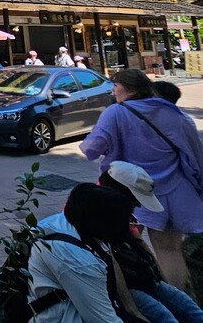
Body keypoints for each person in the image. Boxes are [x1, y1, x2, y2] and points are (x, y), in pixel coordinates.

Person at [80, 68, 203, 289]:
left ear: (129, 90)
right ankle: (180, 300)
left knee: (123, 245)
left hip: (129, 192)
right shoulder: (172, 113)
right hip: (172, 191)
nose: (113, 90)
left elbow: (92, 148)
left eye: (116, 85)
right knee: (169, 250)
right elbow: (194, 154)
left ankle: (135, 295)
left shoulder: (115, 112)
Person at [28, 183, 148, 322]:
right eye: (126, 221)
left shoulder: (63, 222)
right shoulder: (79, 260)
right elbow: (104, 320)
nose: (128, 227)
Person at [98, 161, 203, 322]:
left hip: (142, 278)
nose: (139, 205)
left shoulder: (123, 213)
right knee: (165, 317)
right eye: (135, 200)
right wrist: (131, 307)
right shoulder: (97, 217)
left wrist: (161, 282)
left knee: (190, 308)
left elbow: (140, 243)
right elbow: (112, 266)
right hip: (120, 285)